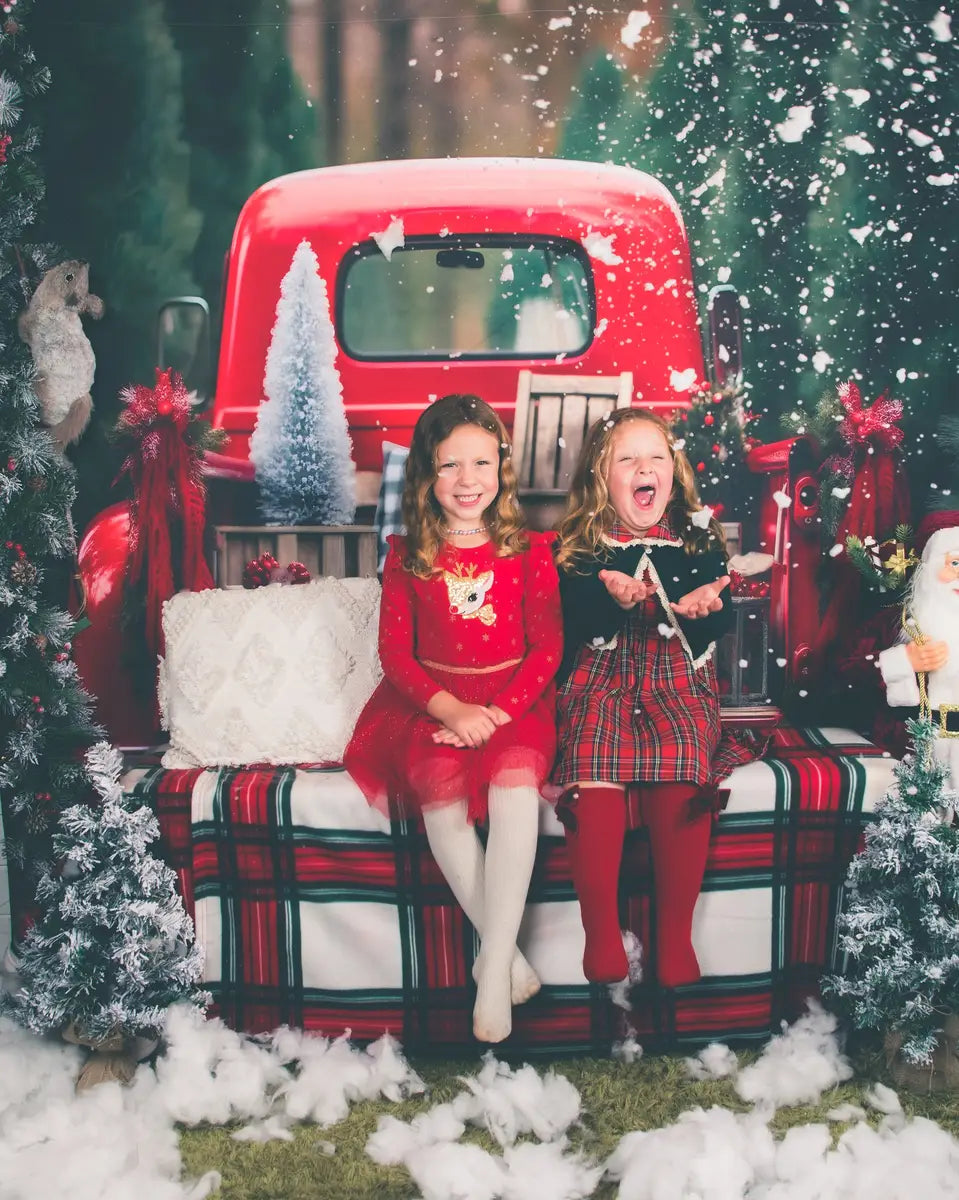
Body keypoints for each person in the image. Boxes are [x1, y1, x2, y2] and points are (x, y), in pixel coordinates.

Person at [344, 394, 562, 1043]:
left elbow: (546, 647)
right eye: (449, 466)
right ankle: (510, 958)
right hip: (432, 707)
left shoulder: (528, 551)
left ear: (501, 466)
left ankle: (491, 968)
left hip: (513, 706)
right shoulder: (409, 554)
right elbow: (395, 654)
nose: (467, 481)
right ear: (425, 476)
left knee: (516, 790)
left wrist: (495, 713)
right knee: (438, 796)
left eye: (480, 462)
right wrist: (452, 710)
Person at [552, 407, 756, 988]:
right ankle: (600, 935)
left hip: (675, 682)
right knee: (589, 753)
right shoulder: (582, 545)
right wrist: (605, 596)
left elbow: (716, 615)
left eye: (656, 457)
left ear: (674, 471)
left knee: (685, 758)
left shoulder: (696, 540)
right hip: (602, 680)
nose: (644, 468)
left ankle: (675, 937)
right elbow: (566, 617)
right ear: (601, 476)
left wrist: (709, 609)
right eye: (627, 459)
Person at [879, 511, 959, 794]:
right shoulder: (895, 623)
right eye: (955, 563)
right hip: (913, 755)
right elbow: (839, 680)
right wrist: (902, 662)